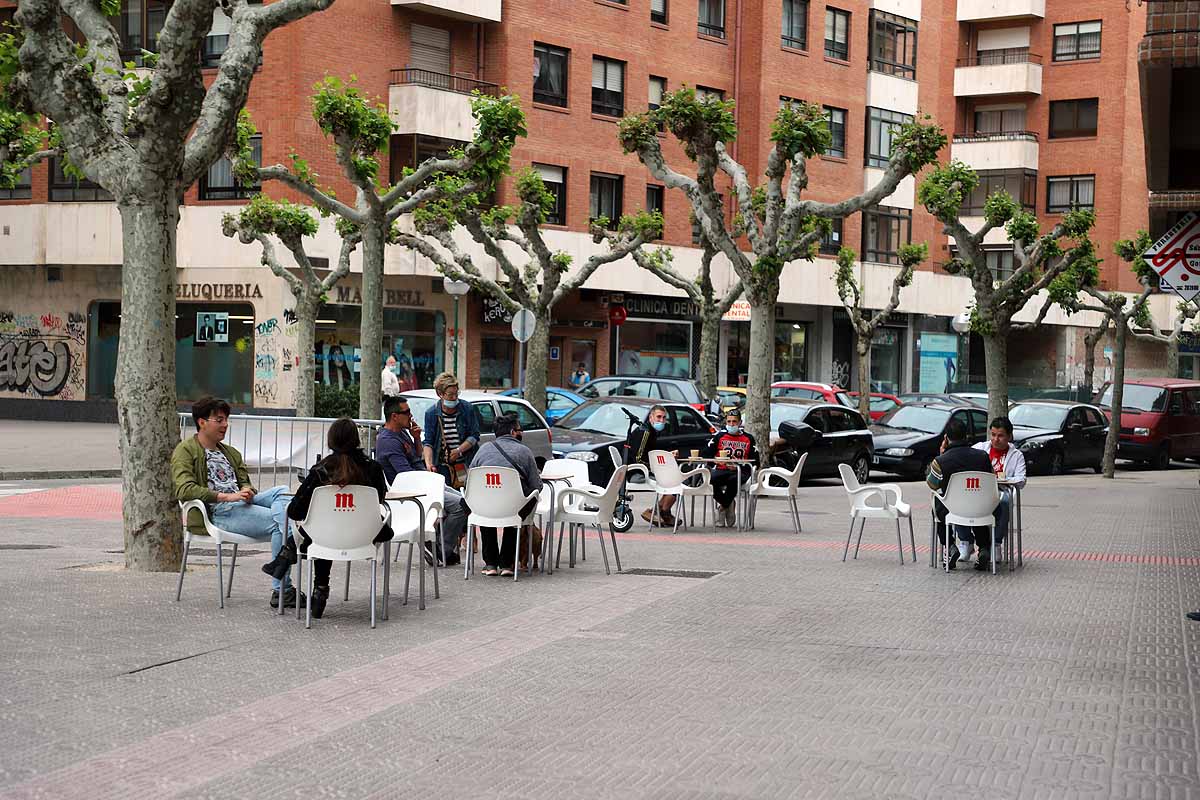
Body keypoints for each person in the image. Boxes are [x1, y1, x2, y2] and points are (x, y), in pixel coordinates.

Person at [172, 396, 300, 608]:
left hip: (241, 503)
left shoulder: (230, 452)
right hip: (220, 512)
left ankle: (285, 550)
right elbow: (184, 489)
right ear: (202, 422)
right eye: (219, 420)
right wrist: (225, 496)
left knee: (283, 491)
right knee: (282, 524)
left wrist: (246, 490)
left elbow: (246, 483)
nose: (225, 425)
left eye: (226, 420)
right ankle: (282, 589)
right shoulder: (185, 451)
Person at [259, 418, 392, 619]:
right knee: (326, 528)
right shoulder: (373, 469)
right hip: (364, 537)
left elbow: (294, 511)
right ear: (356, 440)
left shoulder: (320, 471)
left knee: (319, 530)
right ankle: (294, 563)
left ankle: (314, 583)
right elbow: (380, 501)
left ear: (331, 441)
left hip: (324, 538)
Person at [376, 395, 469, 567]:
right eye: (406, 412)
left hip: (425, 480)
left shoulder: (402, 432)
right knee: (459, 506)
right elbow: (406, 476)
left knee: (465, 501)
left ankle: (436, 543)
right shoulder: (388, 441)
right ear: (394, 416)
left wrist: (416, 437)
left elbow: (416, 456)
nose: (410, 416)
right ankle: (441, 549)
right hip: (415, 489)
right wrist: (428, 480)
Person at [470, 413, 542, 577]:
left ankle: (490, 565)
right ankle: (507, 564)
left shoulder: (483, 449)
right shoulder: (524, 451)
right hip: (513, 509)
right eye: (519, 429)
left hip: (485, 508)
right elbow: (536, 486)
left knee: (486, 508)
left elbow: (470, 481)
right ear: (512, 432)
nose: (521, 433)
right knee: (517, 509)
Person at [926, 417, 993, 571]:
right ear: (967, 436)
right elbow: (992, 478)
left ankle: (949, 547)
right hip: (981, 508)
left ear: (946, 438)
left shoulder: (941, 461)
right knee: (977, 505)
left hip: (953, 510)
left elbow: (931, 484)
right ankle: (983, 548)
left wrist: (942, 454)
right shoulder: (982, 456)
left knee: (937, 506)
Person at [970, 415, 1026, 569]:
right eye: (993, 435)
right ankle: (965, 541)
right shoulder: (980, 448)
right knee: (964, 499)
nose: (996, 439)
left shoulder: (1017, 455)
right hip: (980, 491)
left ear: (1009, 436)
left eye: (1000, 435)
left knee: (1005, 502)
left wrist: (1005, 479)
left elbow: (1021, 480)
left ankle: (996, 543)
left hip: (1002, 490)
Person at [701, 408, 759, 527]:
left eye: (734, 422)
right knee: (710, 480)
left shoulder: (749, 438)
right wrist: (716, 461)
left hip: (740, 471)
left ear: (740, 423)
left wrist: (739, 465)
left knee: (733, 480)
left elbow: (756, 461)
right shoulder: (719, 436)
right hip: (721, 469)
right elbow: (706, 454)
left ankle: (722, 508)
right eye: (729, 422)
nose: (731, 424)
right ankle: (728, 503)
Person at [423, 371, 481, 490]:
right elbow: (428, 442)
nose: (454, 398)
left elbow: (475, 435)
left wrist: (459, 450)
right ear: (440, 394)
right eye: (450, 395)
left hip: (465, 462)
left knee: (468, 491)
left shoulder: (467, 408)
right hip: (444, 466)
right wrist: (429, 464)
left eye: (456, 394)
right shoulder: (431, 413)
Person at [625, 404, 678, 527]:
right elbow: (638, 458)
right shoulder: (645, 432)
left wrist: (667, 456)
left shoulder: (652, 431)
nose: (662, 421)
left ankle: (662, 512)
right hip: (637, 473)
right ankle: (658, 512)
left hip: (643, 470)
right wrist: (656, 468)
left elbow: (651, 454)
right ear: (651, 417)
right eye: (659, 417)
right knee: (673, 483)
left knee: (673, 479)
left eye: (664, 418)